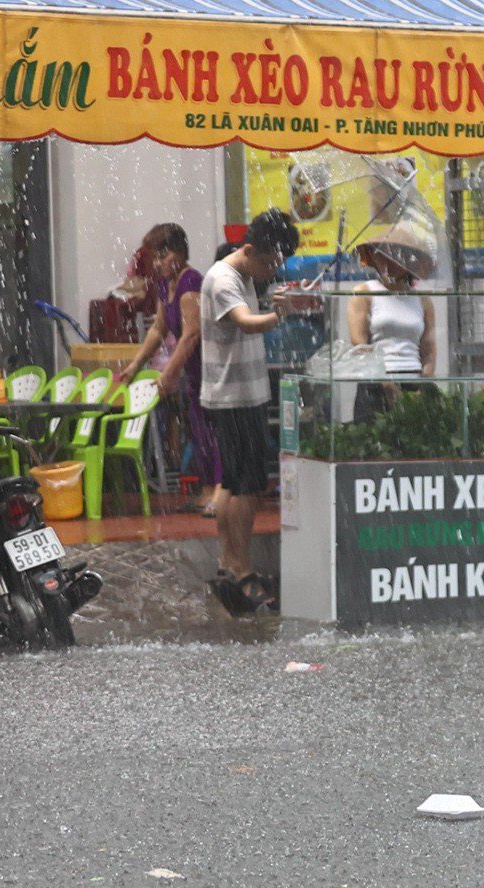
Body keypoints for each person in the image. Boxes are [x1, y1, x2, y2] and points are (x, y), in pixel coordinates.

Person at [200, 208, 300, 615]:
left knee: (233, 483)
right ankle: (240, 568)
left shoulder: (244, 275)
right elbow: (245, 322)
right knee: (246, 486)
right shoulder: (224, 279)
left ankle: (229, 562)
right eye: (272, 262)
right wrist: (282, 314)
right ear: (251, 249)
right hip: (234, 397)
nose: (273, 269)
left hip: (243, 394)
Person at [115, 224, 222, 517]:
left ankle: (219, 492)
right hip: (191, 369)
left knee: (212, 430)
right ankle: (204, 490)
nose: (158, 263)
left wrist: (168, 374)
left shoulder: (190, 282)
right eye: (155, 257)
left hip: (209, 368)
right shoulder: (165, 284)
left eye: (163, 256)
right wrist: (136, 365)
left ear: (180, 252)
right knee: (197, 429)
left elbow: (191, 335)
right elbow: (160, 328)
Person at [347, 224, 438, 424]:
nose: (387, 261)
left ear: (408, 259)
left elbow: (429, 349)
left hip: (412, 382)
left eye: (395, 254)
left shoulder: (422, 299)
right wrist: (385, 383)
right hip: (375, 385)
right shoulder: (364, 292)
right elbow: (359, 344)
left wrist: (423, 384)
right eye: (381, 254)